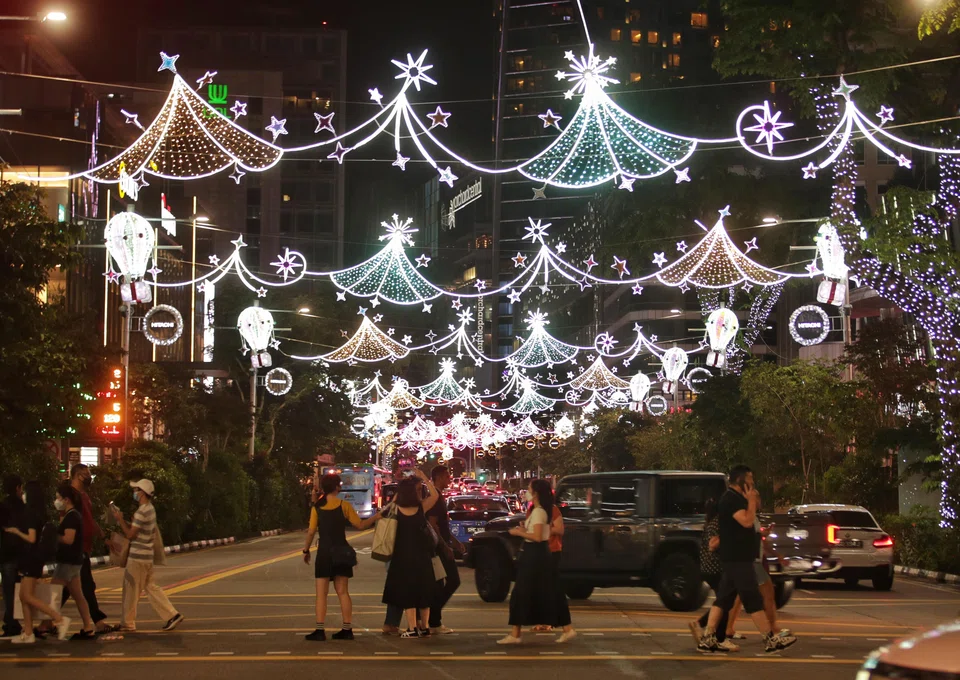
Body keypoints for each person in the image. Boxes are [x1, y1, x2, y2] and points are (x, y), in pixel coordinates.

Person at [697, 466, 796, 654]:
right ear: (741, 480)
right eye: (750, 479)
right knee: (752, 599)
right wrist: (751, 501)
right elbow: (747, 521)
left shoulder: (734, 499)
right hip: (738, 559)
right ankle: (770, 639)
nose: (752, 483)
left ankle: (708, 637)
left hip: (737, 558)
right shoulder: (731, 499)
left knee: (723, 599)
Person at [302, 473, 380, 641]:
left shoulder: (317, 508)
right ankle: (347, 629)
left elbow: (311, 531)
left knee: (321, 594)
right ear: (337, 487)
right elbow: (360, 525)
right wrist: (376, 517)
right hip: (341, 552)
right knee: (343, 592)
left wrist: (306, 550)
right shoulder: (344, 505)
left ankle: (320, 630)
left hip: (324, 553)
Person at [498, 479, 571, 645]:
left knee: (522, 593)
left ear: (536, 493)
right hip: (537, 554)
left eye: (529, 489)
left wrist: (519, 533)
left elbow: (538, 537)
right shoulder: (537, 510)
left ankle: (516, 633)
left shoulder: (540, 511)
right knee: (546, 592)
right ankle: (566, 628)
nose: (527, 492)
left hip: (536, 554)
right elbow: (542, 533)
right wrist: (526, 528)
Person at [111, 479, 183, 633]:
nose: (134, 493)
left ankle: (127, 623)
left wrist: (119, 520)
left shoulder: (142, 511)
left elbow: (130, 535)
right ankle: (172, 615)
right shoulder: (150, 509)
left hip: (137, 558)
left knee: (130, 590)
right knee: (151, 588)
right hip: (147, 557)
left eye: (136, 490)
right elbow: (138, 531)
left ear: (142, 493)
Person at [4, 481, 71, 643]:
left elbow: (31, 538)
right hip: (33, 559)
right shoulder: (40, 513)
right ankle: (28, 633)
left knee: (27, 595)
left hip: (31, 559)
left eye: (25, 492)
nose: (23, 495)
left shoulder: (31, 514)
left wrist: (16, 531)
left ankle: (59, 618)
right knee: (23, 596)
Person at [381, 470, 440, 638]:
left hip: (402, 557)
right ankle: (425, 627)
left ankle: (412, 628)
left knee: (407, 592)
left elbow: (387, 508)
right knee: (424, 591)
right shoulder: (421, 508)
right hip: (422, 555)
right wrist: (425, 478)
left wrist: (402, 487)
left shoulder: (396, 509)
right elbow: (435, 495)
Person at [59, 465, 112, 634]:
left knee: (68, 588)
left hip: (84, 548)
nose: (88, 477)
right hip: (76, 548)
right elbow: (64, 520)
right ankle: (97, 622)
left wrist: (103, 536)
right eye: (86, 474)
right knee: (86, 585)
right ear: (77, 475)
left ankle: (46, 622)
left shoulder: (84, 497)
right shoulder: (70, 496)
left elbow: (90, 520)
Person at [49, 484, 97, 639]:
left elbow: (68, 539)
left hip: (67, 562)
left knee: (53, 594)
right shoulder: (72, 515)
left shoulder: (72, 517)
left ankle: (49, 624)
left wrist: (53, 536)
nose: (56, 501)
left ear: (66, 499)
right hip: (74, 561)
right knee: (78, 595)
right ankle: (88, 627)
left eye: (58, 498)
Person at [689, 497, 736, 651]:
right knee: (724, 603)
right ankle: (719, 638)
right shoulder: (719, 522)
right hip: (717, 569)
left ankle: (702, 625)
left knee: (723, 601)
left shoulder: (711, 521)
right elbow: (713, 544)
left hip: (709, 569)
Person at [529, 492, 575, 639]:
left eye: (530, 491)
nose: (527, 494)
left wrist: (543, 529)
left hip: (551, 551)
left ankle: (561, 625)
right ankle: (544, 621)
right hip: (536, 551)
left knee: (552, 589)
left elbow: (559, 529)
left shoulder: (552, 509)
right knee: (539, 588)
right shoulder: (531, 509)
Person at [426, 466, 462, 635]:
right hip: (437, 548)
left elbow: (442, 525)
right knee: (453, 580)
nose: (450, 479)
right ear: (439, 477)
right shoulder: (435, 497)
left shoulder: (438, 496)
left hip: (442, 545)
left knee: (439, 584)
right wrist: (445, 546)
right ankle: (433, 617)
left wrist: (454, 541)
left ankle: (434, 621)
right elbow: (433, 524)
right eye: (447, 476)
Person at [0, 474, 25, 639]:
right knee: (20, 591)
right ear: (17, 488)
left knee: (9, 592)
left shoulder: (3, 506)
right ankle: (14, 622)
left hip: (6, 554)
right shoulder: (23, 507)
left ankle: (11, 623)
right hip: (21, 554)